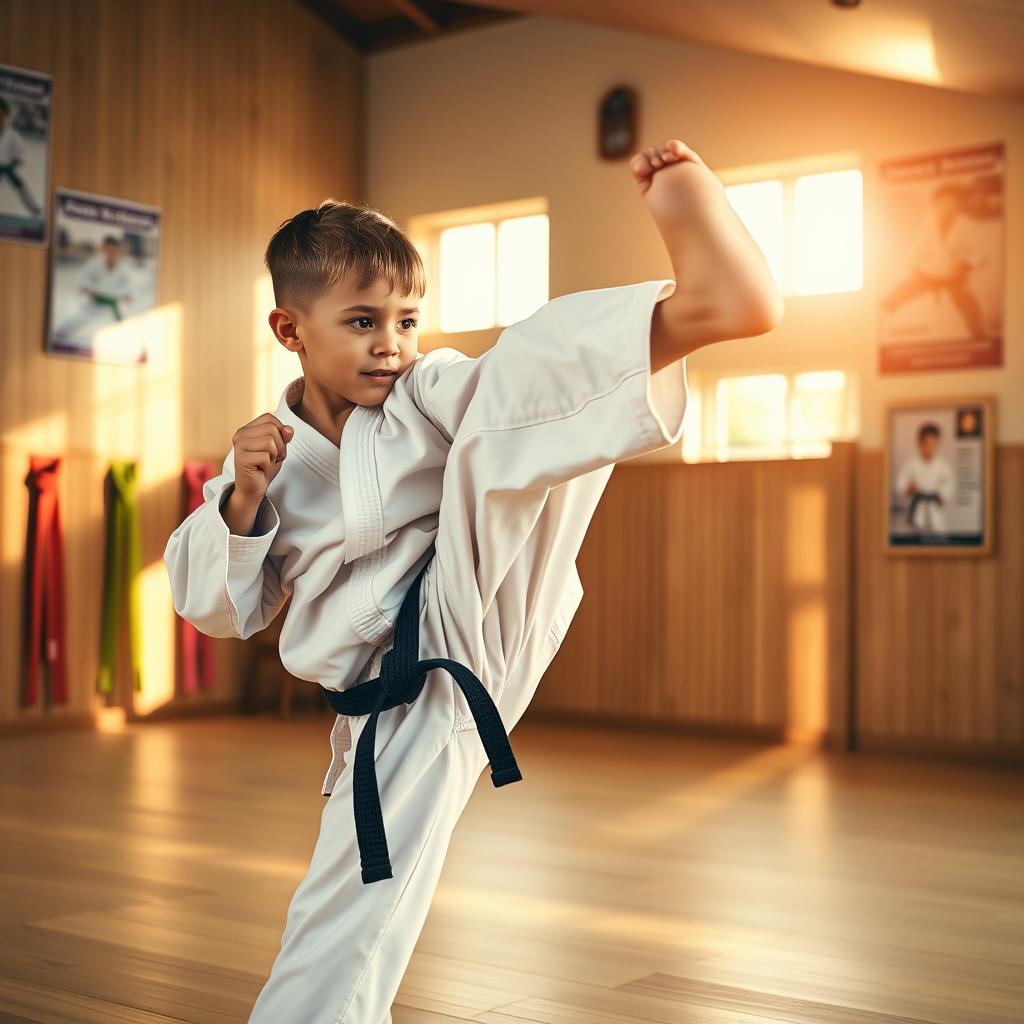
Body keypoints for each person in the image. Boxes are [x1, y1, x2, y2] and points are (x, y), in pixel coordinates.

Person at [163, 137, 783, 1023]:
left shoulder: (424, 391)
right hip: (387, 695)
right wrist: (244, 501)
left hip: (467, 610)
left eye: (407, 318)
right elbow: (218, 609)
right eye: (364, 321)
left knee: (496, 410)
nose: (393, 345)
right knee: (352, 897)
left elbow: (496, 403)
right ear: (289, 329)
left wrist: (452, 378)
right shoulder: (264, 463)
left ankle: (698, 312)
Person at [52, 235, 135, 345]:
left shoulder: (124, 268)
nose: (112, 254)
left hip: (113, 306)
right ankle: (59, 337)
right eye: (109, 250)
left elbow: (129, 288)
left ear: (119, 253)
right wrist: (88, 291)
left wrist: (126, 295)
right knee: (73, 323)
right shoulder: (94, 264)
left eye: (115, 251)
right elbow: (81, 281)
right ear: (104, 250)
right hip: (94, 303)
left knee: (125, 331)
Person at [895, 421, 955, 533]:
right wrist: (908, 488)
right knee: (914, 535)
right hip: (917, 506)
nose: (930, 448)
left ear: (938, 444)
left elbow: (950, 484)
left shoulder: (943, 466)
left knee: (938, 536)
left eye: (933, 444)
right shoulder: (910, 464)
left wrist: (941, 494)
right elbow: (900, 482)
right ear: (919, 443)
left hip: (935, 508)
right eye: (927, 444)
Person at [0, 96, 43, 218]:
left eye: (2, 116)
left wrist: (10, 166)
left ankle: (34, 209)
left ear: (7, 117)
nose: (0, 119)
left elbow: (21, 156)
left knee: (20, 186)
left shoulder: (13, 136)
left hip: (7, 167)